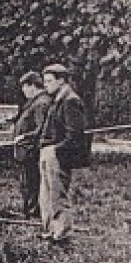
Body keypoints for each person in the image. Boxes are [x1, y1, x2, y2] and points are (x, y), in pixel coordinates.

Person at [36, 63, 89, 242]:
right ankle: (50, 230)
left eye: (49, 81)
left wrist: (55, 150)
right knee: (46, 195)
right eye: (45, 81)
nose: (45, 85)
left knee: (57, 195)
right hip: (48, 152)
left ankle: (62, 234)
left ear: (61, 81)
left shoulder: (70, 100)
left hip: (57, 155)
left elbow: (75, 135)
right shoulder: (57, 98)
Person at [11, 71, 51, 220]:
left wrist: (23, 136)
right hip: (27, 151)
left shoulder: (41, 103)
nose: (23, 91)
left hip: (32, 151)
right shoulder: (35, 102)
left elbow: (41, 129)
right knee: (28, 183)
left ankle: (33, 214)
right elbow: (27, 120)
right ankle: (29, 212)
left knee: (32, 183)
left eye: (25, 87)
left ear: (33, 86)